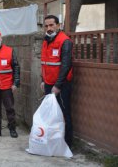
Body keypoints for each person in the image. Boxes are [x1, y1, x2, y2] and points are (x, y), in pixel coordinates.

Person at [40, 15, 73, 147]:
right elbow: (44, 63)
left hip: (62, 85)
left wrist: (58, 85)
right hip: (48, 83)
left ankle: (67, 144)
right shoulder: (46, 41)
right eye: (46, 26)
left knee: (64, 113)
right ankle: (54, 141)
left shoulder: (65, 41)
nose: (49, 28)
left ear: (58, 25)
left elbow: (66, 65)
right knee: (51, 114)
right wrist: (43, 80)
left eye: (52, 25)